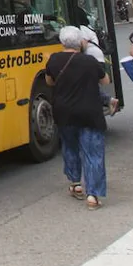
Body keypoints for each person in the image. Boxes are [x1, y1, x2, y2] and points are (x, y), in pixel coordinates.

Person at [46, 26, 110, 210]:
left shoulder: (54, 60)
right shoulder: (89, 61)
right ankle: (93, 195)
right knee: (93, 153)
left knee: (70, 147)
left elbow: (50, 82)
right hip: (89, 111)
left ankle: (76, 184)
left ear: (62, 42)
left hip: (64, 112)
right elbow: (105, 81)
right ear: (81, 42)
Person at [81, 26, 119, 116]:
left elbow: (83, 45)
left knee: (89, 86)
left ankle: (109, 100)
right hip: (96, 58)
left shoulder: (82, 29)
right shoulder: (88, 27)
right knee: (91, 85)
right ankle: (108, 101)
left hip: (92, 59)